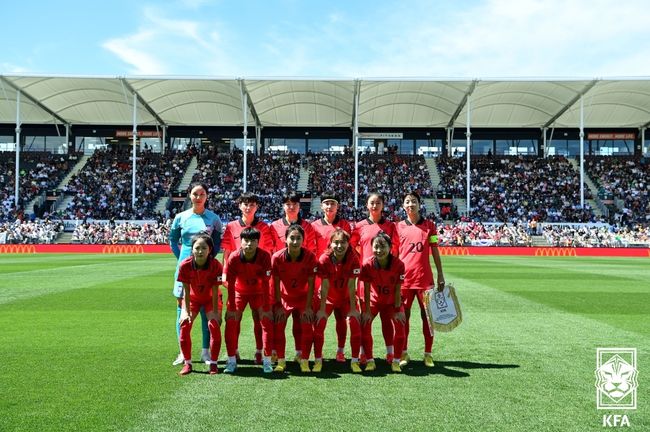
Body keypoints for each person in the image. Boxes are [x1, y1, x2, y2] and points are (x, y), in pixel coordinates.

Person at [169, 183, 222, 366]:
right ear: (189, 196)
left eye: (202, 194)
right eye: (195, 194)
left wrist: (208, 262)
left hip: (206, 269)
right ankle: (183, 353)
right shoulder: (180, 217)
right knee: (182, 309)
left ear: (207, 196)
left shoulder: (213, 219)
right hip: (185, 266)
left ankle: (205, 352)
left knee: (205, 308)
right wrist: (182, 259)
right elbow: (173, 240)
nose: (198, 197)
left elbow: (216, 243)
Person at [221, 192, 274, 364]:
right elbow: (228, 252)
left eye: (252, 204)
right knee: (235, 319)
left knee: (260, 319)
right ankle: (234, 351)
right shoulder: (231, 226)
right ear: (239, 206)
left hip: (259, 283)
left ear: (256, 207)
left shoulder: (265, 228)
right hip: (238, 283)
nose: (248, 207)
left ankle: (260, 351)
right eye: (245, 204)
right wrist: (224, 272)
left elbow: (267, 253)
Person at [396, 191, 445, 368]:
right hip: (404, 281)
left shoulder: (430, 226)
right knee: (403, 317)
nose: (411, 205)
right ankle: (403, 352)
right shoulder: (398, 227)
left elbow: (435, 250)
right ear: (403, 205)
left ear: (419, 204)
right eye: (407, 202)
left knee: (428, 318)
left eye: (414, 201)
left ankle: (428, 354)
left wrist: (440, 273)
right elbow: (394, 254)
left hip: (425, 280)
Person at [350, 192, 399, 364]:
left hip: (386, 278)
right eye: (372, 202)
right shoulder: (360, 226)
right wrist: (362, 258)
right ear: (366, 205)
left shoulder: (391, 226)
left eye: (378, 202)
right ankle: (364, 353)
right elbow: (351, 246)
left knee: (387, 319)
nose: (375, 205)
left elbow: (396, 248)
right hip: (367, 277)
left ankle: (390, 352)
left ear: (383, 205)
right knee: (366, 318)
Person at [270, 192, 317, 362]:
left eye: (294, 204)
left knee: (301, 321)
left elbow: (311, 250)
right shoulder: (274, 226)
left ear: (299, 207)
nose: (291, 207)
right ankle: (275, 352)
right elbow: (271, 251)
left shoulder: (308, 227)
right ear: (283, 206)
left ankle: (299, 353)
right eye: (287, 204)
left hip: (302, 280)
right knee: (277, 319)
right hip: (280, 280)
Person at [311, 191, 352, 362]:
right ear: (321, 206)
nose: (329, 206)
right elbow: (312, 252)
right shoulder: (314, 226)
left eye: (332, 203)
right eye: (326, 203)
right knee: (319, 318)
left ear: (337, 206)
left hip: (341, 279)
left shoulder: (345, 225)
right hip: (322, 278)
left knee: (341, 319)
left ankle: (340, 351)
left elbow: (350, 250)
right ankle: (317, 354)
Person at [315, 228, 362, 372]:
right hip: (328, 298)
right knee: (319, 323)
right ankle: (318, 358)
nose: (339, 246)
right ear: (330, 243)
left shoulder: (353, 258)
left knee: (353, 323)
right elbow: (324, 285)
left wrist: (353, 309)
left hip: (346, 298)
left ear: (348, 244)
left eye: (343, 242)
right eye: (336, 242)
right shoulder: (324, 259)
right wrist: (322, 310)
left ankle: (350, 358)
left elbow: (351, 284)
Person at [177, 233, 224, 376]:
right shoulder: (185, 265)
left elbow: (216, 290)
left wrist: (216, 312)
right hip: (193, 299)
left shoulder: (216, 265)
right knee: (185, 324)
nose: (200, 251)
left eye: (204, 248)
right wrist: (185, 310)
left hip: (211, 299)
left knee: (213, 325)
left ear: (210, 250)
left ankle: (214, 363)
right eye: (197, 247)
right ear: (192, 249)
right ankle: (187, 363)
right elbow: (185, 289)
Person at [359, 232, 406, 373]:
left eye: (383, 246)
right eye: (376, 247)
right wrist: (366, 310)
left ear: (390, 247)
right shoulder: (367, 264)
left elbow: (398, 290)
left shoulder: (399, 265)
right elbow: (366, 290)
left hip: (392, 302)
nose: (379, 250)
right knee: (364, 324)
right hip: (374, 301)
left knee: (401, 327)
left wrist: (398, 311)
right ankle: (369, 360)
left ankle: (395, 359)